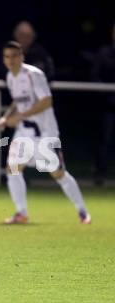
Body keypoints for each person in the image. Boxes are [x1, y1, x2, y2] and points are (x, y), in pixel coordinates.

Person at [0, 41, 91, 225]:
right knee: (12, 169)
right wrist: (6, 116)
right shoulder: (10, 77)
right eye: (7, 56)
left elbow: (46, 101)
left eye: (14, 56)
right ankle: (21, 213)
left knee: (58, 174)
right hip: (25, 132)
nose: (11, 60)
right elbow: (18, 101)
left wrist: (19, 116)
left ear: (22, 56)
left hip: (45, 133)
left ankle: (82, 211)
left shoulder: (33, 74)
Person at [91, 22, 115, 186]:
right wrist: (106, 93)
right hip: (108, 105)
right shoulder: (104, 53)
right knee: (104, 140)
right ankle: (100, 173)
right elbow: (95, 76)